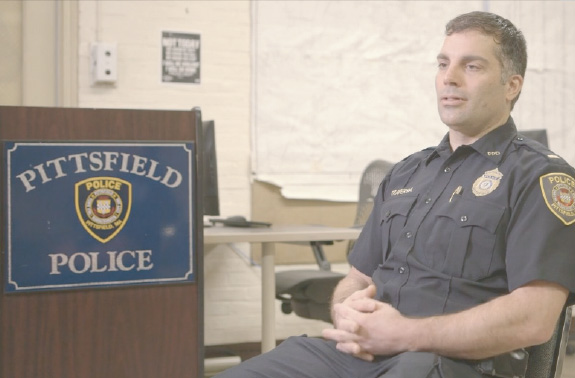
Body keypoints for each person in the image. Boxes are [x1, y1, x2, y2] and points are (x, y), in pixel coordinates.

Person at [216, 10, 575, 378]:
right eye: (442, 63)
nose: (448, 79)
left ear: (511, 85)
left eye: (471, 67)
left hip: (453, 363)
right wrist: (345, 310)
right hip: (359, 355)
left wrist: (404, 334)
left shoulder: (540, 176)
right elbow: (357, 279)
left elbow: (534, 319)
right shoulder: (406, 172)